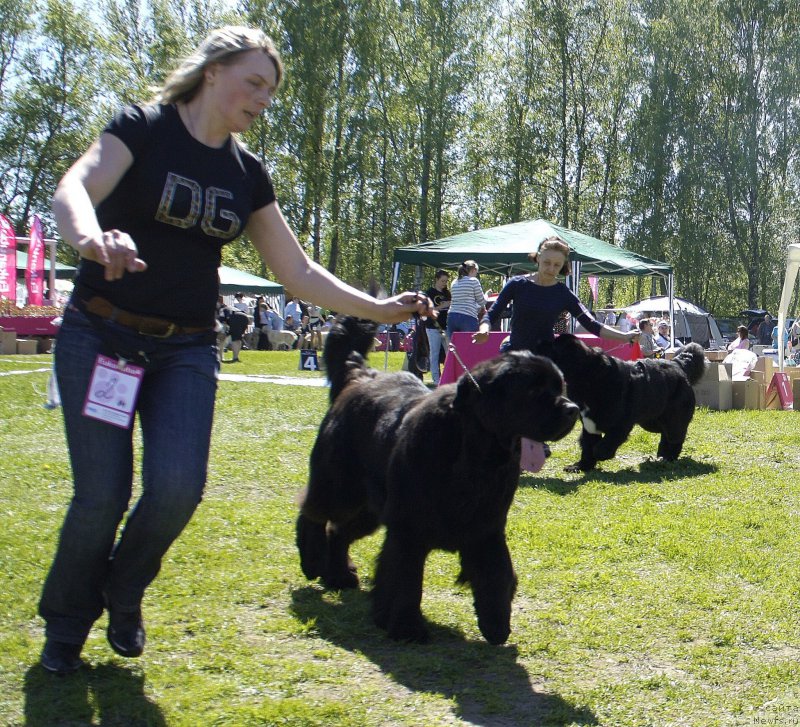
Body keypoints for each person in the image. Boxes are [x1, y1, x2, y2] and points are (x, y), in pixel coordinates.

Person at [39, 25, 432, 676]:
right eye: (255, 82)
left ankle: (124, 590)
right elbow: (74, 187)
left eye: (271, 90)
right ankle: (65, 622)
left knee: (177, 488)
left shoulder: (245, 173)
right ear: (213, 71)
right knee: (101, 496)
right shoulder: (142, 127)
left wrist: (380, 309)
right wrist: (90, 239)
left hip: (185, 349)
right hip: (101, 333)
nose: (263, 98)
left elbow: (297, 272)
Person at [473, 237, 639, 353]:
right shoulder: (517, 284)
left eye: (557, 265)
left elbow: (591, 324)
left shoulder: (563, 293)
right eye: (546, 263)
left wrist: (625, 337)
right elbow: (491, 315)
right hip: (513, 355)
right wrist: (484, 330)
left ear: (562, 266)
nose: (551, 269)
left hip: (546, 360)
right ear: (537, 258)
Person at [424, 269, 450, 384]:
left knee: (449, 351)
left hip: (446, 326)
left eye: (446, 281)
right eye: (442, 281)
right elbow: (426, 310)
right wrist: (441, 306)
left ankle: (448, 376)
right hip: (433, 326)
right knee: (434, 353)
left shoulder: (447, 293)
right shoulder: (429, 293)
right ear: (436, 280)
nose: (444, 283)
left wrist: (449, 305)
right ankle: (436, 379)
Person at [446, 260, 485, 338]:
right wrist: (487, 295)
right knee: (469, 346)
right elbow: (482, 302)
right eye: (476, 272)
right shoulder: (474, 281)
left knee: (453, 346)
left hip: (452, 316)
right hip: (467, 317)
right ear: (473, 270)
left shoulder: (454, 282)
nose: (476, 275)